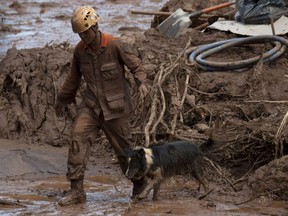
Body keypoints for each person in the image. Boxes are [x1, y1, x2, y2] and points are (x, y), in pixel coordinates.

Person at [54, 5, 149, 206]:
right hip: (91, 106)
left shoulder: (115, 45)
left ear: (95, 27)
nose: (82, 38)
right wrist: (62, 100)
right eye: (79, 34)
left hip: (117, 109)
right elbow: (73, 79)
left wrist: (141, 83)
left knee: (124, 152)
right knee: (77, 139)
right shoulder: (80, 51)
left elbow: (136, 66)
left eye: (85, 33)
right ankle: (76, 190)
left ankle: (140, 184)